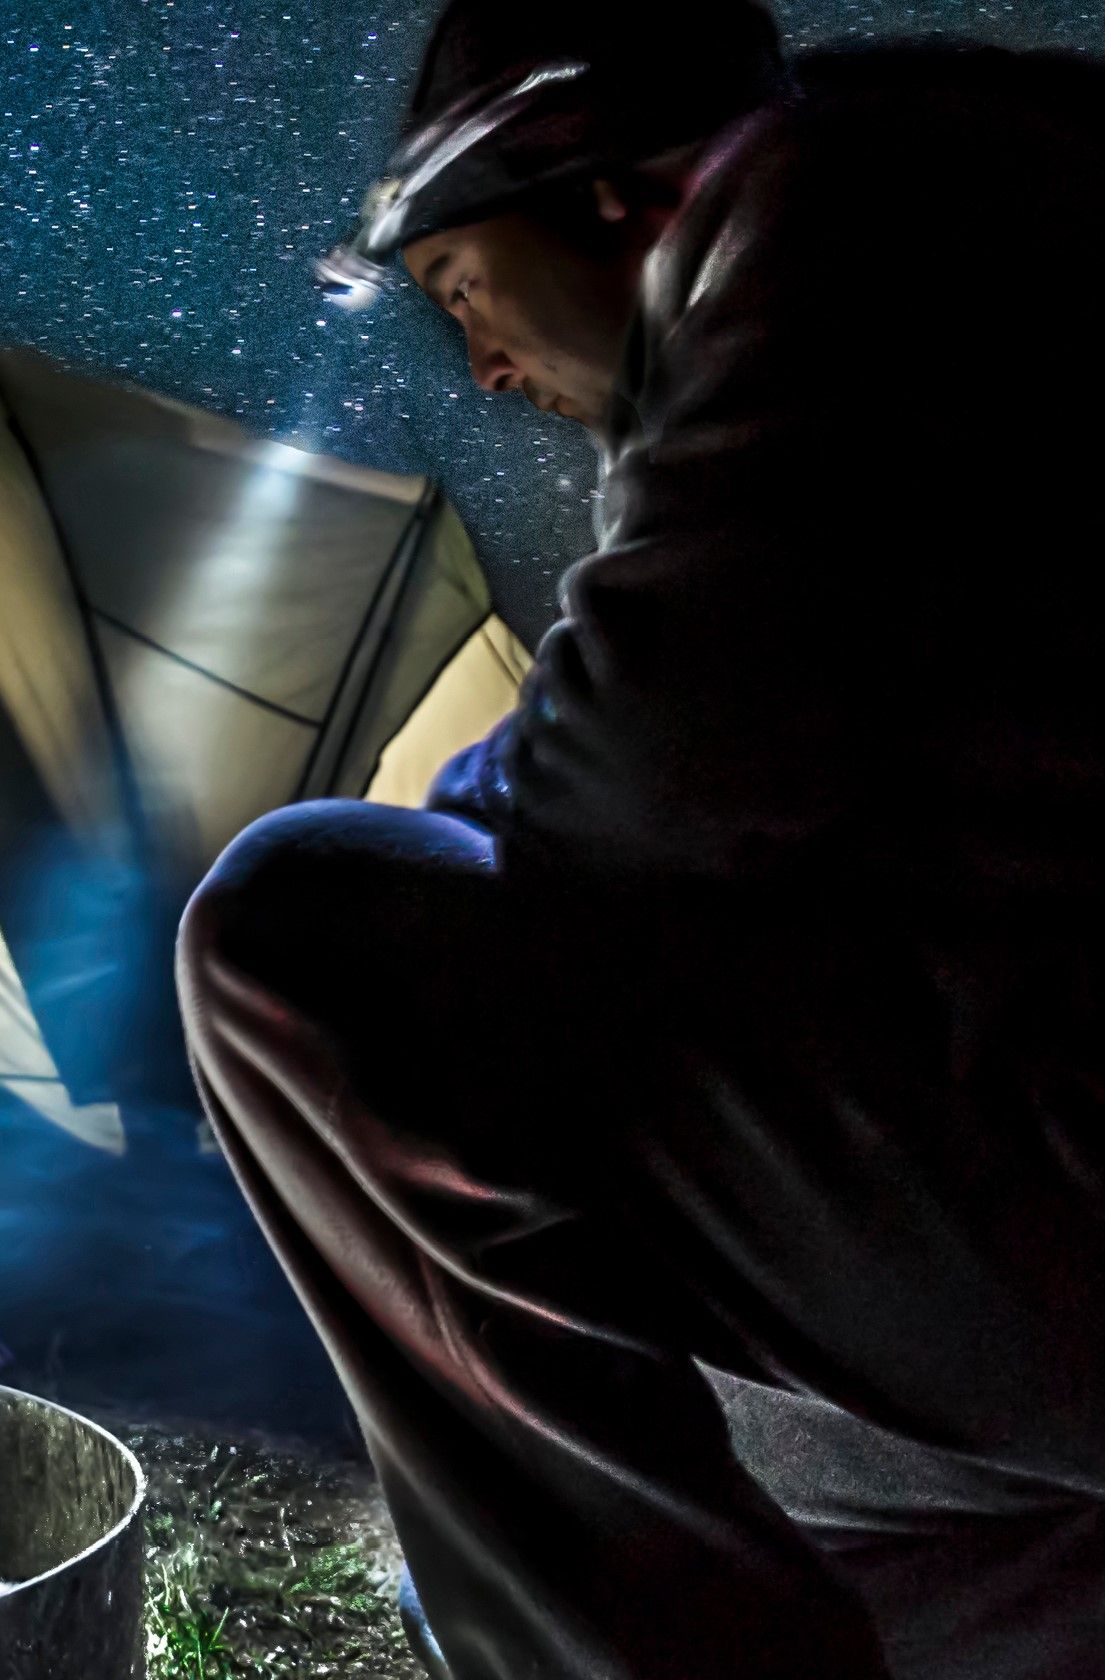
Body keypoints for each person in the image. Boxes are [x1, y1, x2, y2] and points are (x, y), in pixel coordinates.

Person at [175, 2, 1105, 1676]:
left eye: (463, 286)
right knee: (750, 1516)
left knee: (304, 929)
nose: (483, 370)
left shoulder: (835, 202)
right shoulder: (1002, 221)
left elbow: (643, 787)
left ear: (597, 188)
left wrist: (477, 829)